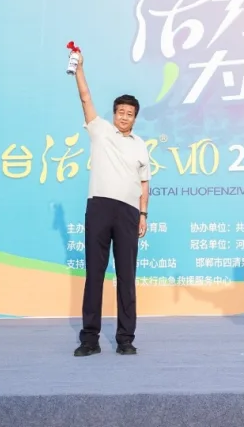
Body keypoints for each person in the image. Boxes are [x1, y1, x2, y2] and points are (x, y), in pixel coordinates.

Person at [71, 49, 150, 357]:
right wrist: (79, 69)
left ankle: (125, 339)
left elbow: (144, 183)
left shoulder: (140, 145)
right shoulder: (101, 130)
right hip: (100, 207)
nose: (124, 117)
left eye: (129, 113)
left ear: (135, 118)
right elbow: (85, 98)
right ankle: (89, 339)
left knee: (126, 277)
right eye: (120, 112)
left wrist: (143, 214)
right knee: (95, 274)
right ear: (114, 113)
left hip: (129, 212)